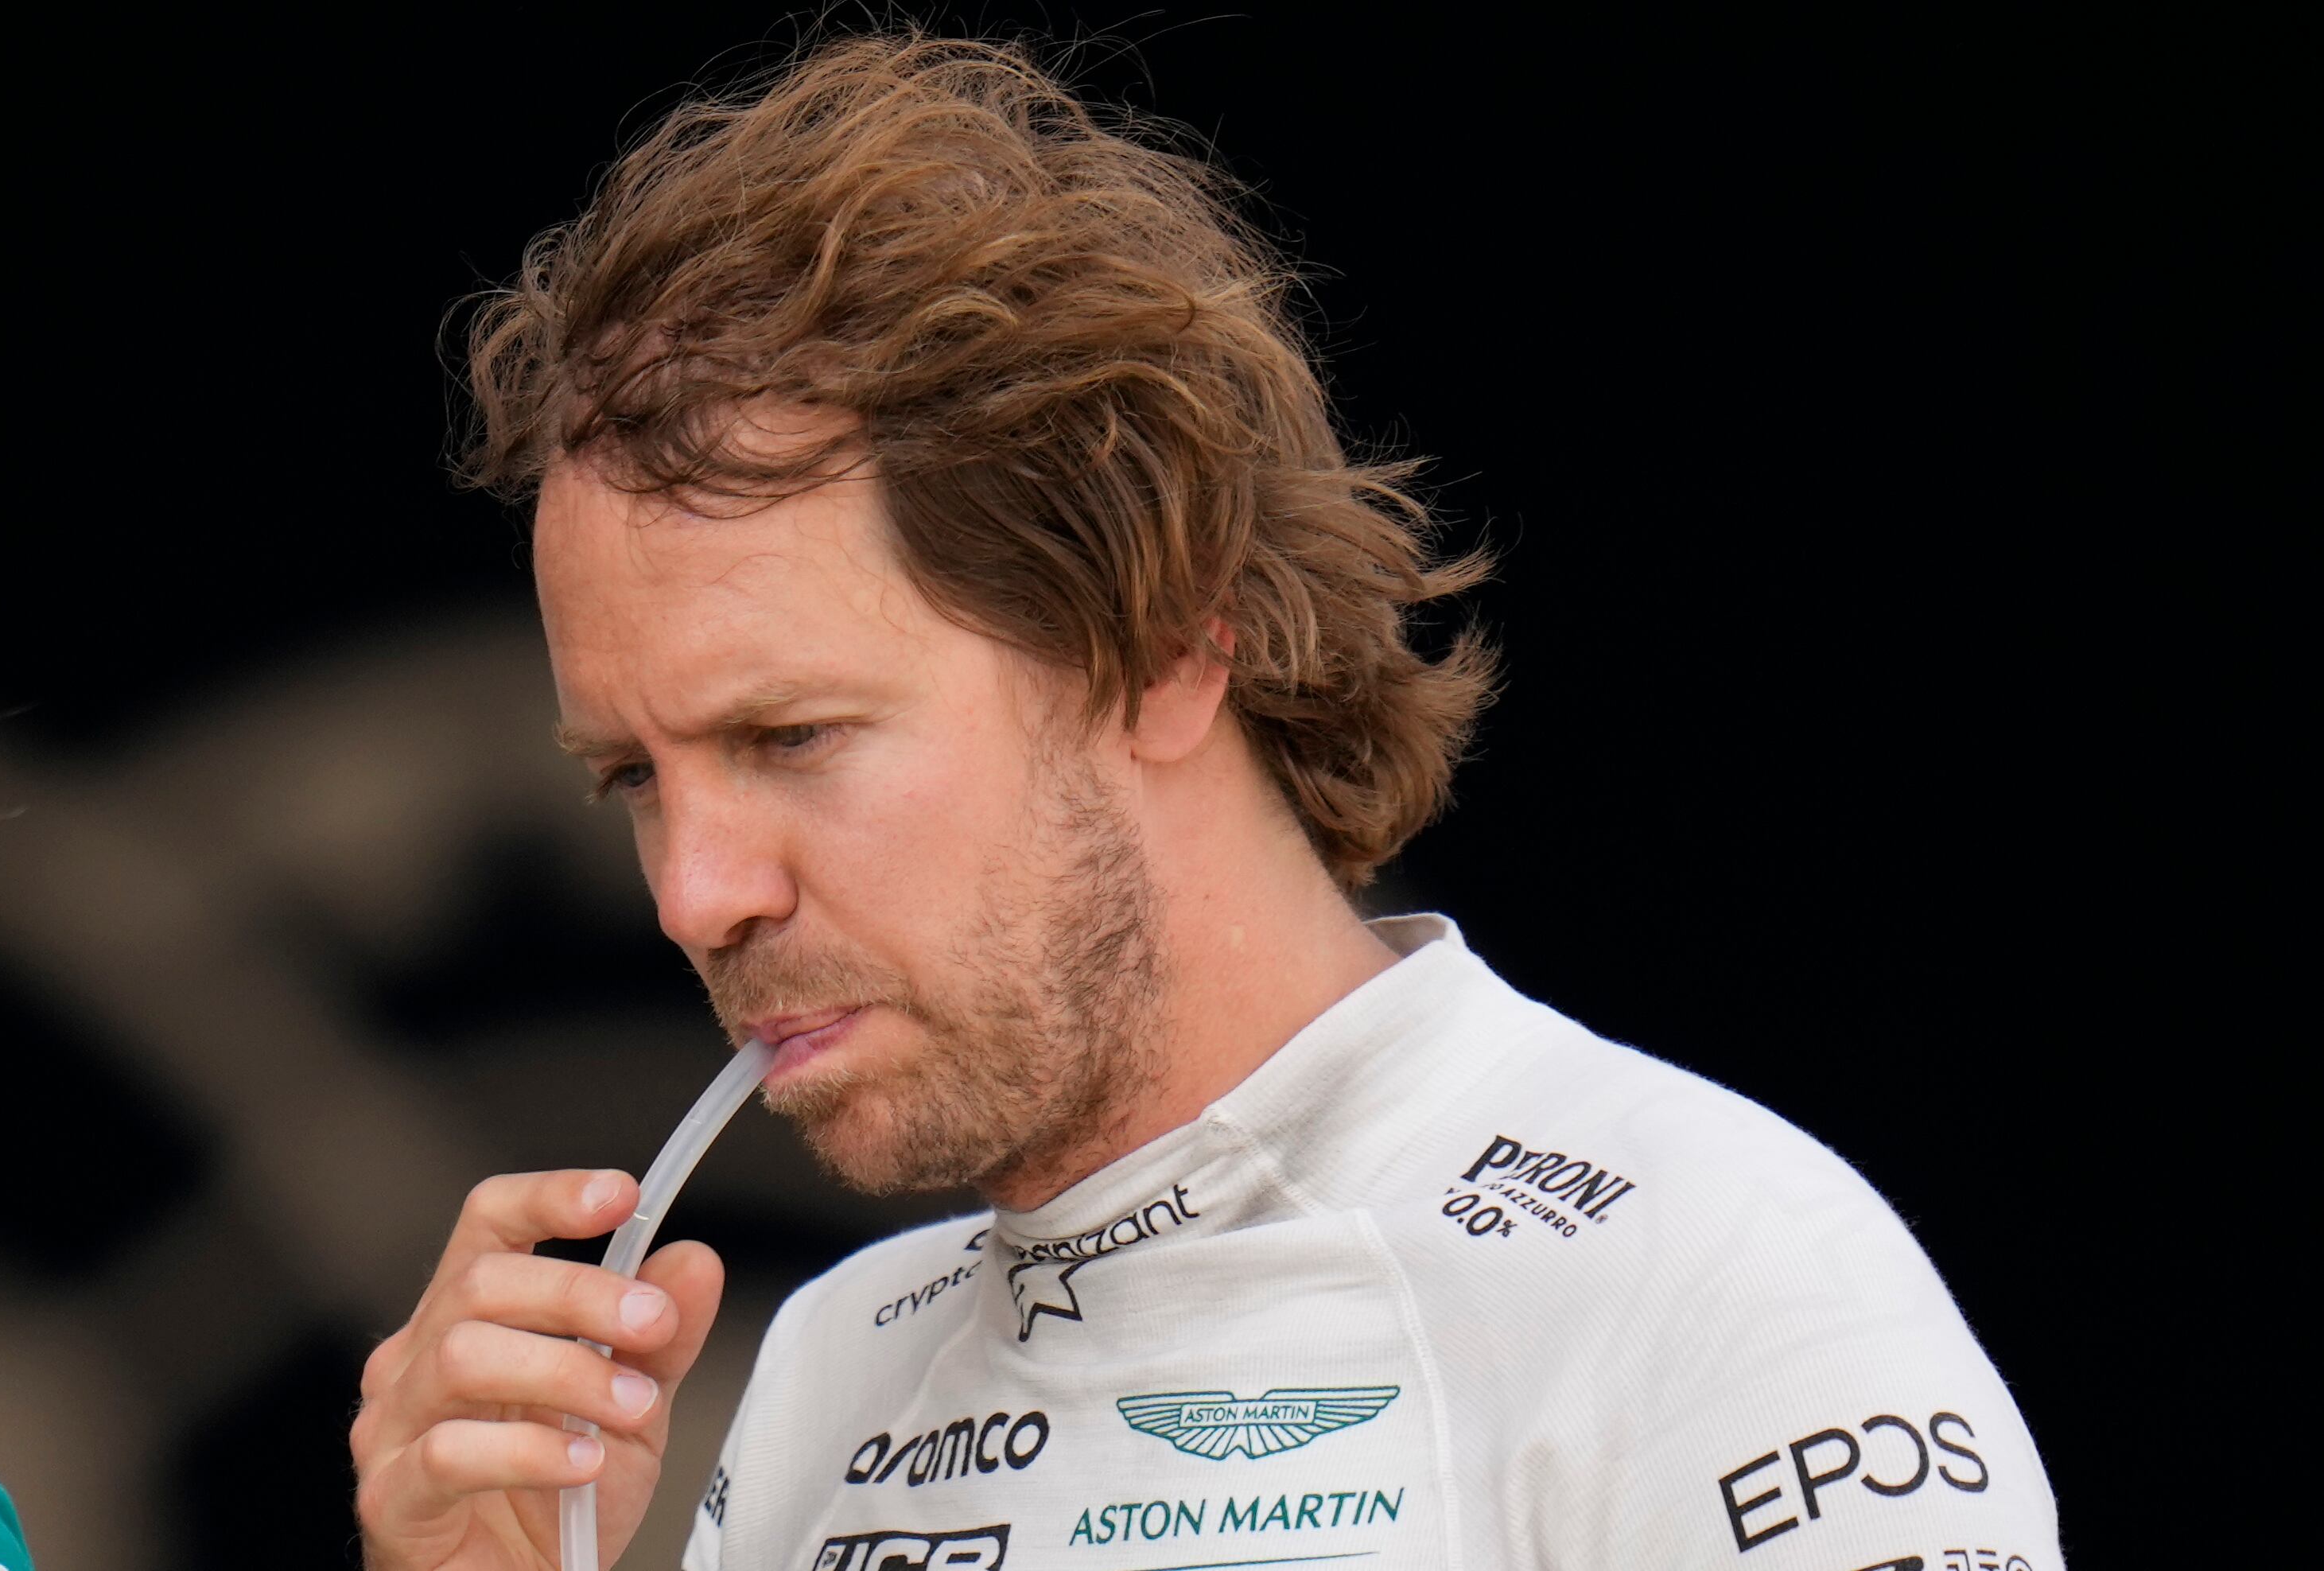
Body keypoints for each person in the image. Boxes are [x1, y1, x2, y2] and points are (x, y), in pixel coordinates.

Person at [349, 32, 2062, 1571]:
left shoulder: (1705, 1287)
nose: (692, 890)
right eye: (635, 777)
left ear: (1163, 650)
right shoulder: (829, 1381)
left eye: (791, 735)